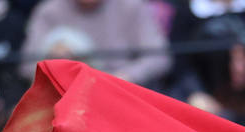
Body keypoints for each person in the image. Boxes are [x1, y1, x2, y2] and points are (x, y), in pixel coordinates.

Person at [19, 0, 170, 89]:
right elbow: (28, 65)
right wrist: (57, 69)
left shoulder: (132, 7)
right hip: (63, 97)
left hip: (122, 93)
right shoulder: (48, 11)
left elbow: (159, 58)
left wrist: (126, 76)